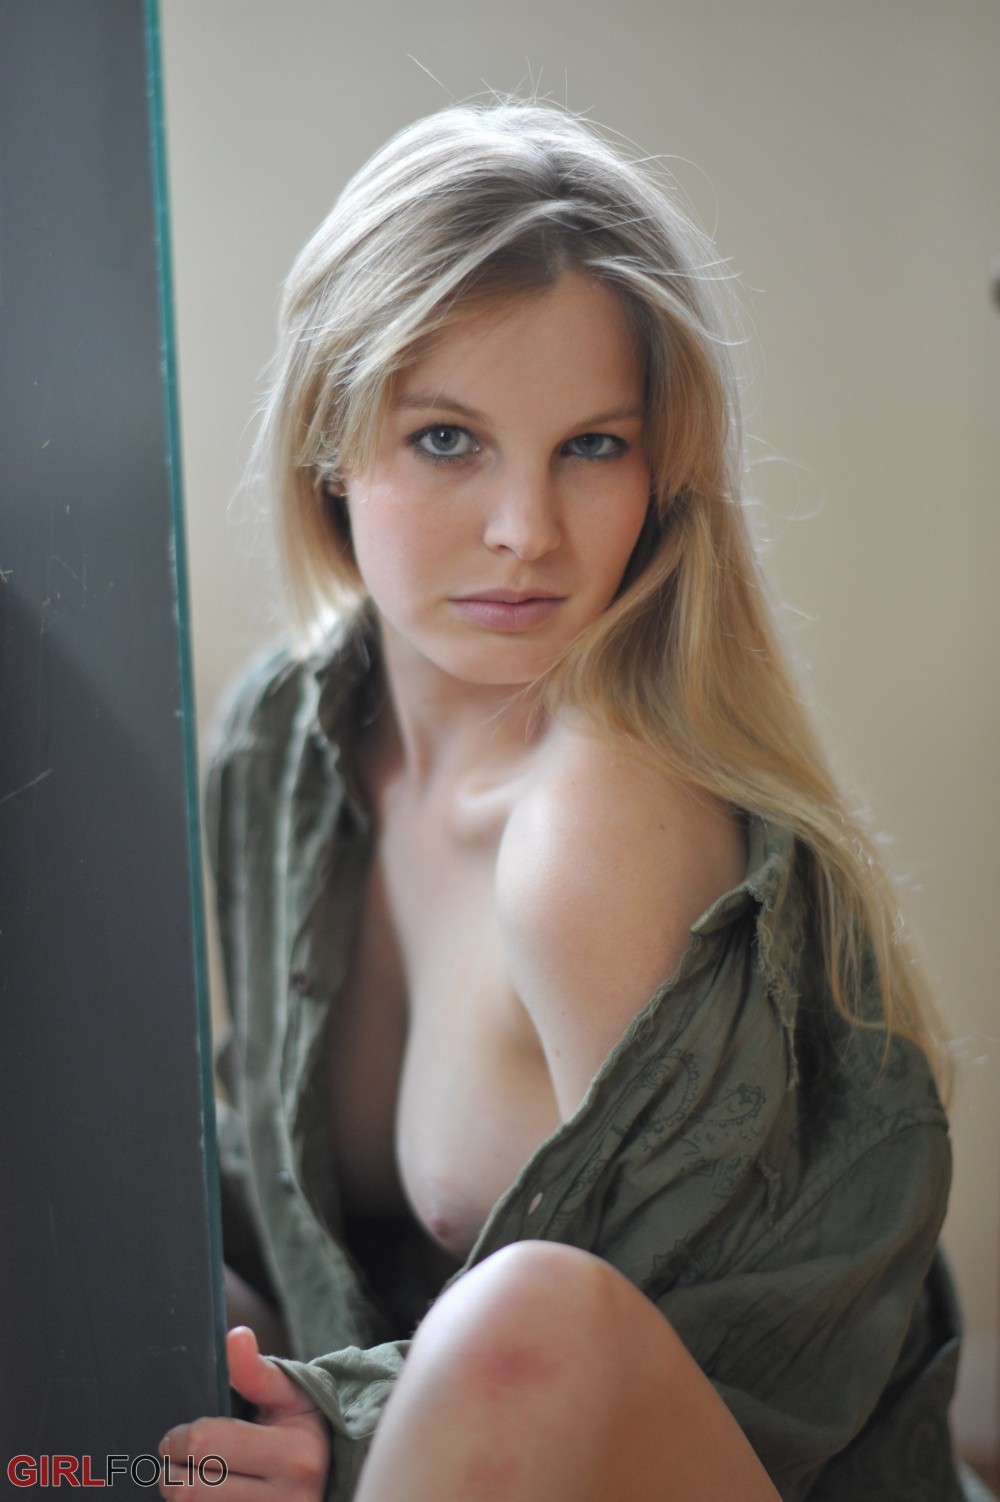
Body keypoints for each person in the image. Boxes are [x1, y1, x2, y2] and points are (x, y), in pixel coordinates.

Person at [157, 103, 977, 1501]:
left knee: (525, 1318)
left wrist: (346, 1429)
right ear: (329, 442)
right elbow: (268, 1205)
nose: (525, 532)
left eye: (592, 447)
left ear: (664, 471)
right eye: (447, 440)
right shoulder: (278, 746)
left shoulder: (600, 825)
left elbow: (734, 1368)